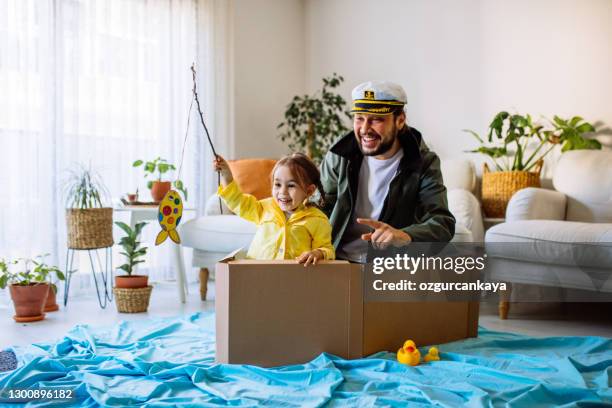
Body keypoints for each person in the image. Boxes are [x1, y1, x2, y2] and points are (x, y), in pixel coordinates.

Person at [320, 80, 455, 263]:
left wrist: (403, 236)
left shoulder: (423, 162)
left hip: (389, 265)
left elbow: (442, 222)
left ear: (400, 120)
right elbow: (318, 207)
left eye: (376, 119)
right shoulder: (340, 154)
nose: (365, 129)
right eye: (359, 118)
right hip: (337, 260)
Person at [214, 153, 335, 265]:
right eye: (277, 185)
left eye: (291, 185)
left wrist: (317, 253)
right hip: (257, 274)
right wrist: (226, 175)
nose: (282, 192)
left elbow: (327, 249)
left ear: (309, 191)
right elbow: (238, 201)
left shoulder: (318, 219)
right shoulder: (264, 208)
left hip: (295, 279)